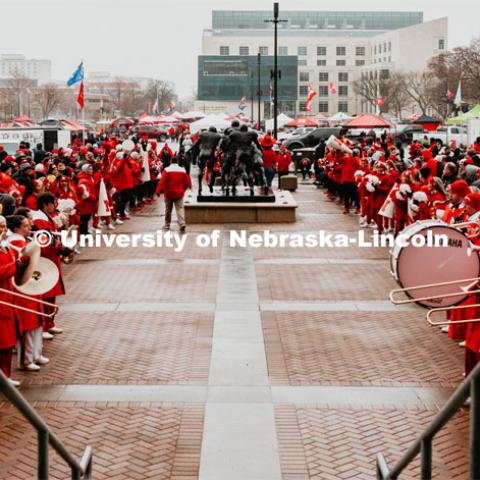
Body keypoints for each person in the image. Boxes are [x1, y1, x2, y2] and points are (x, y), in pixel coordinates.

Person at [6, 215, 49, 371]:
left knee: (36, 323)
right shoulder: (15, 242)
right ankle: (26, 359)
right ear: (16, 229)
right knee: (27, 326)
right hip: (23, 289)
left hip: (31, 286)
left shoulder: (22, 241)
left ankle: (36, 354)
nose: (29, 227)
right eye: (25, 225)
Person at [0, 215, 29, 386]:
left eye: (4, 226)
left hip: (8, 297)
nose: (3, 230)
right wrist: (16, 265)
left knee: (9, 342)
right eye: (0, 227)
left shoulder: (6, 247)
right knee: (3, 342)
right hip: (2, 299)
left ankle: (6, 376)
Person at [156, 156, 192, 233]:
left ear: (171, 161)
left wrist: (158, 191)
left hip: (169, 193)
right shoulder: (182, 170)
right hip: (179, 193)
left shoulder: (166, 170)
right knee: (180, 209)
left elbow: (161, 181)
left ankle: (167, 225)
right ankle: (182, 223)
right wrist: (184, 189)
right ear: (177, 161)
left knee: (168, 210)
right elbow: (187, 182)